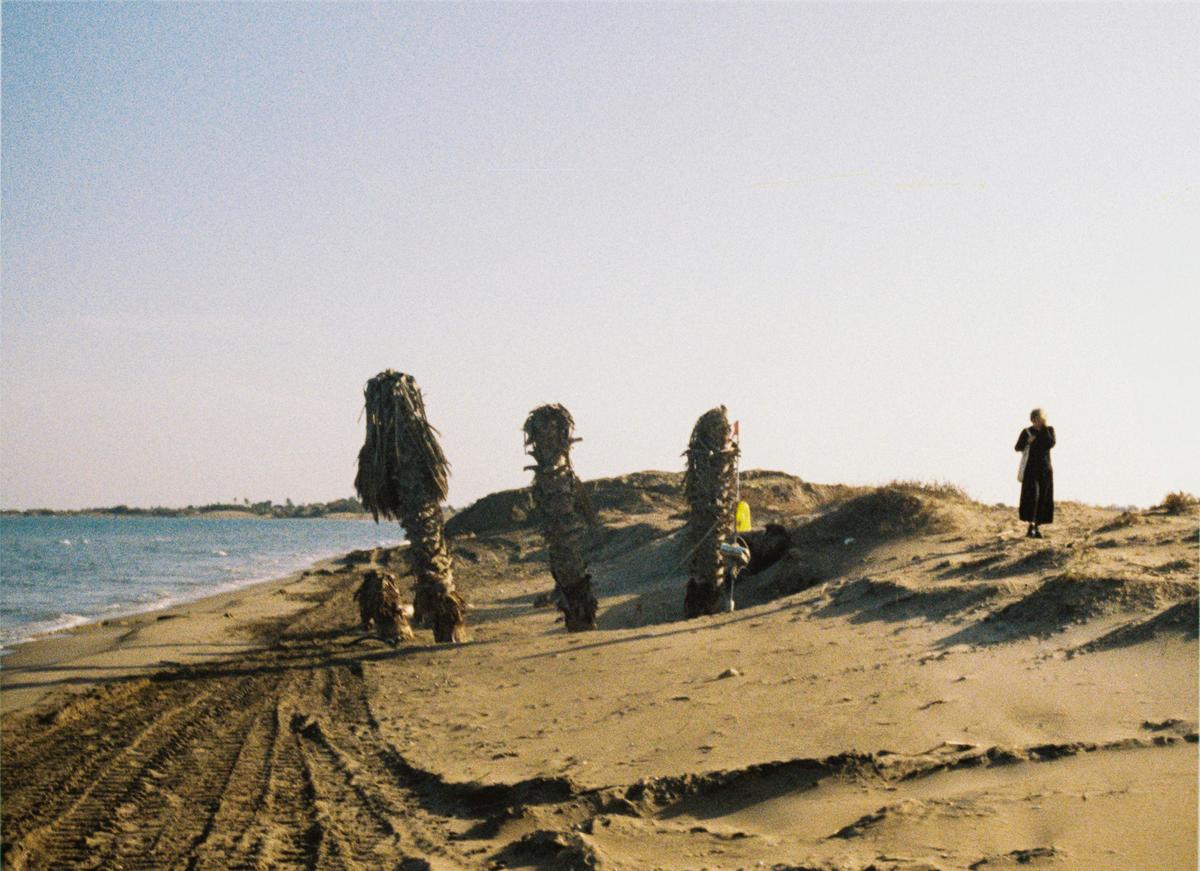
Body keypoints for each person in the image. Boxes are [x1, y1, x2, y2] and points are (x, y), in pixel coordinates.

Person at [1015, 408, 1055, 538]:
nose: (1038, 422)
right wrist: (1027, 441)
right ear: (1032, 419)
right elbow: (1017, 447)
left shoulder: (1049, 430)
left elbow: (1051, 443)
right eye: (1036, 419)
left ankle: (1037, 527)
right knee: (1033, 496)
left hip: (1045, 470)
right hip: (1030, 470)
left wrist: (1042, 429)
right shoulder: (1027, 432)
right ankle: (1030, 525)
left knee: (1043, 497)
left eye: (1040, 419)